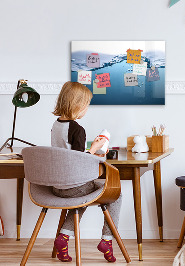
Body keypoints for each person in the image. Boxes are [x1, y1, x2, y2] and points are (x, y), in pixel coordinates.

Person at [51, 81, 121, 263]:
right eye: (86, 105)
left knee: (82, 198)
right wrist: (95, 149)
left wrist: (90, 149)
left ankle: (63, 238)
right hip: (74, 186)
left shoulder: (56, 125)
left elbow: (68, 154)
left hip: (57, 186)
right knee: (116, 194)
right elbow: (78, 161)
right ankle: (107, 240)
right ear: (77, 105)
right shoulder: (77, 129)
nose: (87, 109)